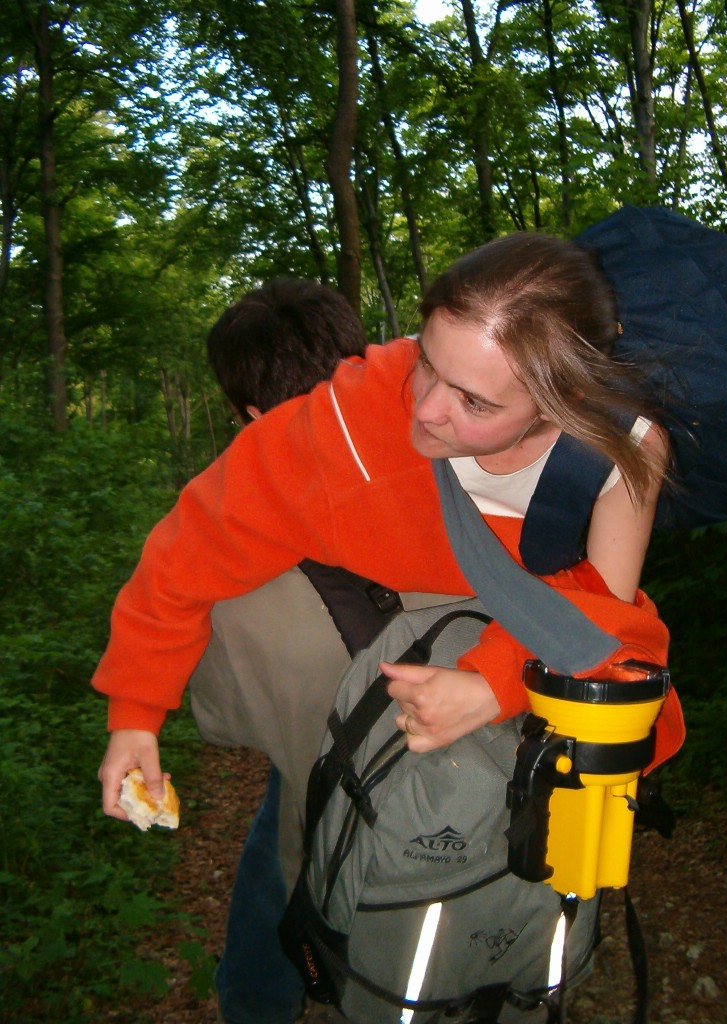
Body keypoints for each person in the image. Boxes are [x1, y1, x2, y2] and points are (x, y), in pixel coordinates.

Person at [95, 231, 685, 992]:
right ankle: (279, 988)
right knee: (313, 817)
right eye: (428, 366)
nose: (430, 411)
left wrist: (492, 683)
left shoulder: (613, 452)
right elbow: (190, 545)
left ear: (561, 401)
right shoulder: (343, 422)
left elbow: (603, 629)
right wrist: (135, 714)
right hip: (351, 651)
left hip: (485, 672)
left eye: (474, 401)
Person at [191, 278, 375, 1024]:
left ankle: (256, 998)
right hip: (487, 803)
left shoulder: (230, 562)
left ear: (252, 415)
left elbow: (224, 723)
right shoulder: (474, 472)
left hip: (327, 801)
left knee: (288, 818)